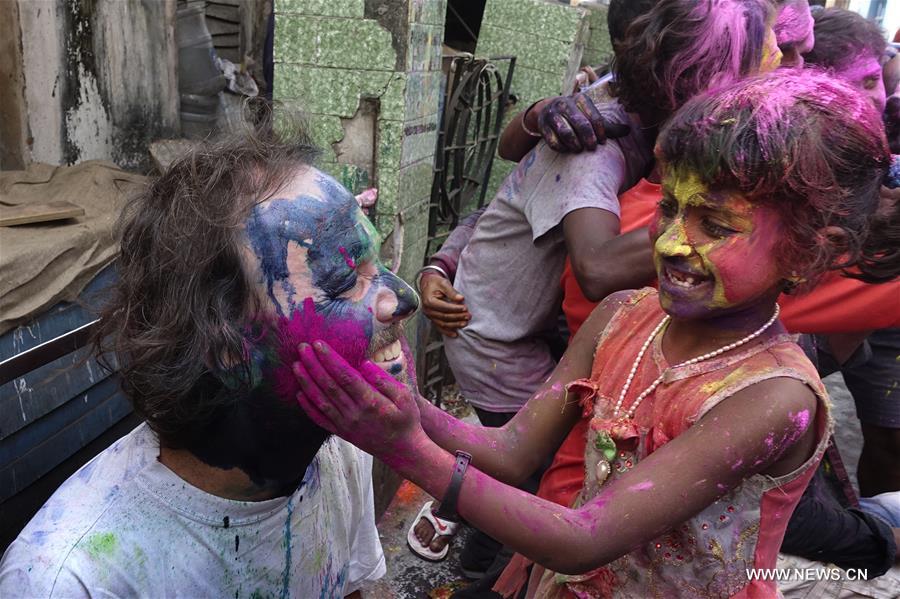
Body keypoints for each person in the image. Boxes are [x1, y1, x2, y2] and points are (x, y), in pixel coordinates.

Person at [295, 69, 896, 598]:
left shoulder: (773, 397)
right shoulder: (623, 314)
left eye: (714, 223)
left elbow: (584, 539)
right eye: (668, 208)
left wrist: (405, 448)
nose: (669, 243)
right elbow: (511, 452)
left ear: (813, 250)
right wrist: (392, 393)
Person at [413, 0, 776, 578]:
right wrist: (736, 231)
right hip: (495, 343)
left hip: (515, 323)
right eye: (740, 71)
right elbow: (597, 267)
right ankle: (481, 569)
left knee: (525, 466)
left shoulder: (619, 108)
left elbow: (511, 193)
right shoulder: (592, 140)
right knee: (524, 479)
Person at [0, 115, 417, 597]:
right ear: (226, 347)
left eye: (379, 263)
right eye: (345, 281)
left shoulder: (341, 437)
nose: (404, 298)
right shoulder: (70, 581)